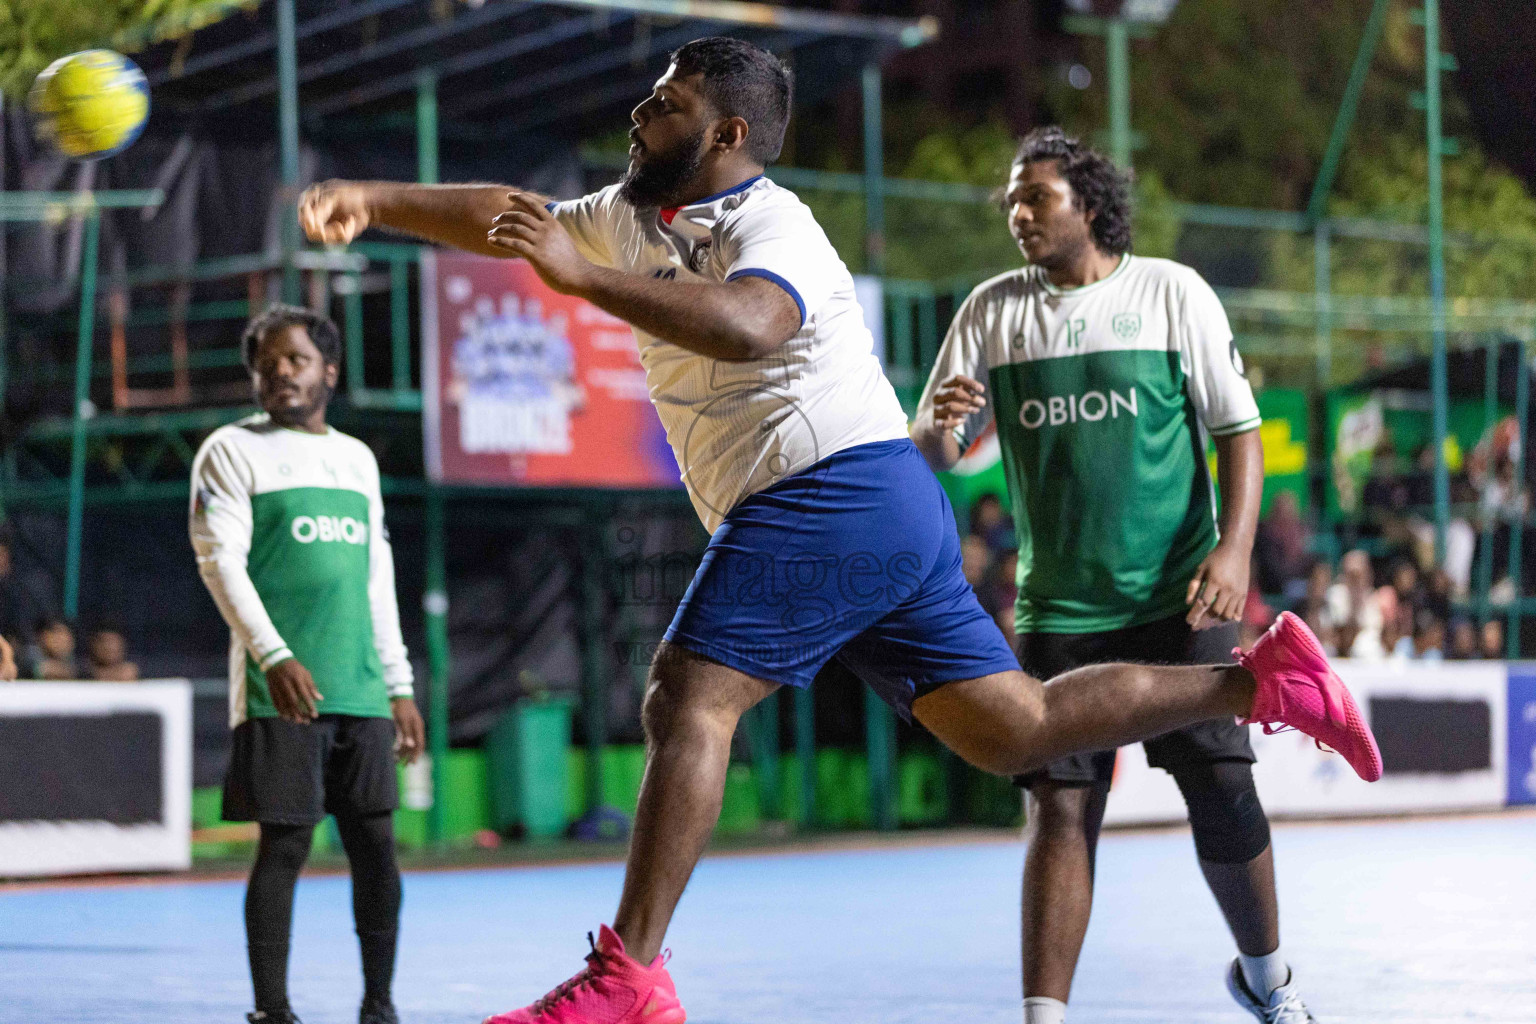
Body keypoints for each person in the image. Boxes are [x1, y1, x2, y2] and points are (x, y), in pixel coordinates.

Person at [298, 38, 1380, 1024]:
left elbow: (752, 322)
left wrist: (587, 281)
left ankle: (631, 977)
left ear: (725, 135)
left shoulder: (773, 223)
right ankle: (1261, 683)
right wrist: (373, 198)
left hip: (830, 487)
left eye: (664, 102)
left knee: (689, 692)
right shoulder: (632, 215)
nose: (639, 112)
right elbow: (507, 212)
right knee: (1019, 730)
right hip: (882, 500)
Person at [911, 127, 1313, 1024]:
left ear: (1088, 204)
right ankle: (1045, 1017)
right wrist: (942, 423)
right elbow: (931, 451)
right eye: (1012, 199)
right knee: (1060, 804)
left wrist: (1235, 549)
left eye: (1036, 197)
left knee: (1221, 784)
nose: (1018, 214)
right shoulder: (990, 310)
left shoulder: (1172, 292)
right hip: (1060, 609)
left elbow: (1238, 431)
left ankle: (1268, 982)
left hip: (1181, 595)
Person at [190, 305, 424, 1024]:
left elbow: (375, 577)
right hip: (278, 690)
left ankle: (378, 1004)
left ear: (329, 370)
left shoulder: (356, 459)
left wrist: (399, 684)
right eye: (264, 362)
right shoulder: (230, 450)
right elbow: (219, 562)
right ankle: (273, 1011)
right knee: (285, 844)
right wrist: (276, 655)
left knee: (377, 849)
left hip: (360, 690)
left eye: (292, 359)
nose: (277, 372)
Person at [28, 615, 79, 680]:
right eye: (57, 636)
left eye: (65, 637)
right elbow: (39, 669)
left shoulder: (74, 659)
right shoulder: (31, 654)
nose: (62, 640)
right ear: (43, 635)